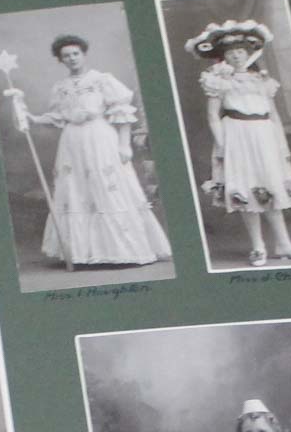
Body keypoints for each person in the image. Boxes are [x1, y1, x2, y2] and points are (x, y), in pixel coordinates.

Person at [11, 35, 171, 266]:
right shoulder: (61, 87)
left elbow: (122, 110)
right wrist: (32, 118)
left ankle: (124, 250)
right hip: (72, 141)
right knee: (77, 189)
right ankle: (83, 253)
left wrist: (124, 143)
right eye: (66, 56)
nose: (72, 58)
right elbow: (58, 117)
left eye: (75, 53)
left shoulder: (101, 80)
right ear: (60, 60)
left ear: (84, 54)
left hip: (99, 136)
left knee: (108, 185)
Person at [187, 20, 291, 267]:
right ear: (224, 56)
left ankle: (284, 244)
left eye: (240, 51)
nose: (236, 55)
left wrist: (281, 144)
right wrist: (222, 145)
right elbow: (213, 115)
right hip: (237, 134)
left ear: (248, 53)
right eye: (230, 52)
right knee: (245, 188)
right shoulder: (217, 79)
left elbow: (274, 114)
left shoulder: (261, 80)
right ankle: (258, 246)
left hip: (264, 133)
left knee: (271, 186)